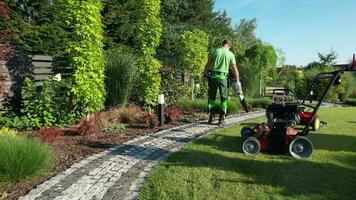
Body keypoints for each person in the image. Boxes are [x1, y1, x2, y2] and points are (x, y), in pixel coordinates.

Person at [203, 39, 240, 126]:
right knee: (224, 98)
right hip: (223, 78)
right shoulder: (230, 54)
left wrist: (205, 74)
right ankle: (221, 119)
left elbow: (207, 65)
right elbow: (235, 69)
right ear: (229, 45)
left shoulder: (215, 51)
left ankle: (211, 117)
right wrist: (237, 80)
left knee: (211, 97)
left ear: (222, 44)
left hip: (213, 77)